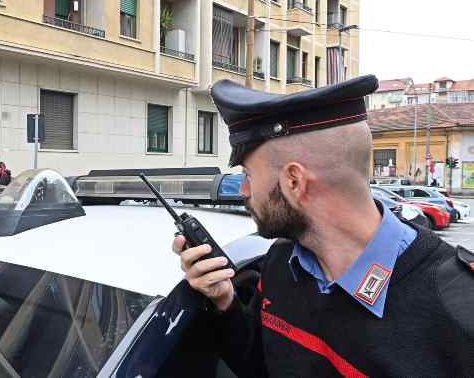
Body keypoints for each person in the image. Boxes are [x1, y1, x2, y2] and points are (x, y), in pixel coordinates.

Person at [173, 75, 473, 377]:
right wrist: (225, 301)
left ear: (294, 182)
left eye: (249, 175)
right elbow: (263, 367)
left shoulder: (461, 307)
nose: (244, 191)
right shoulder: (281, 264)